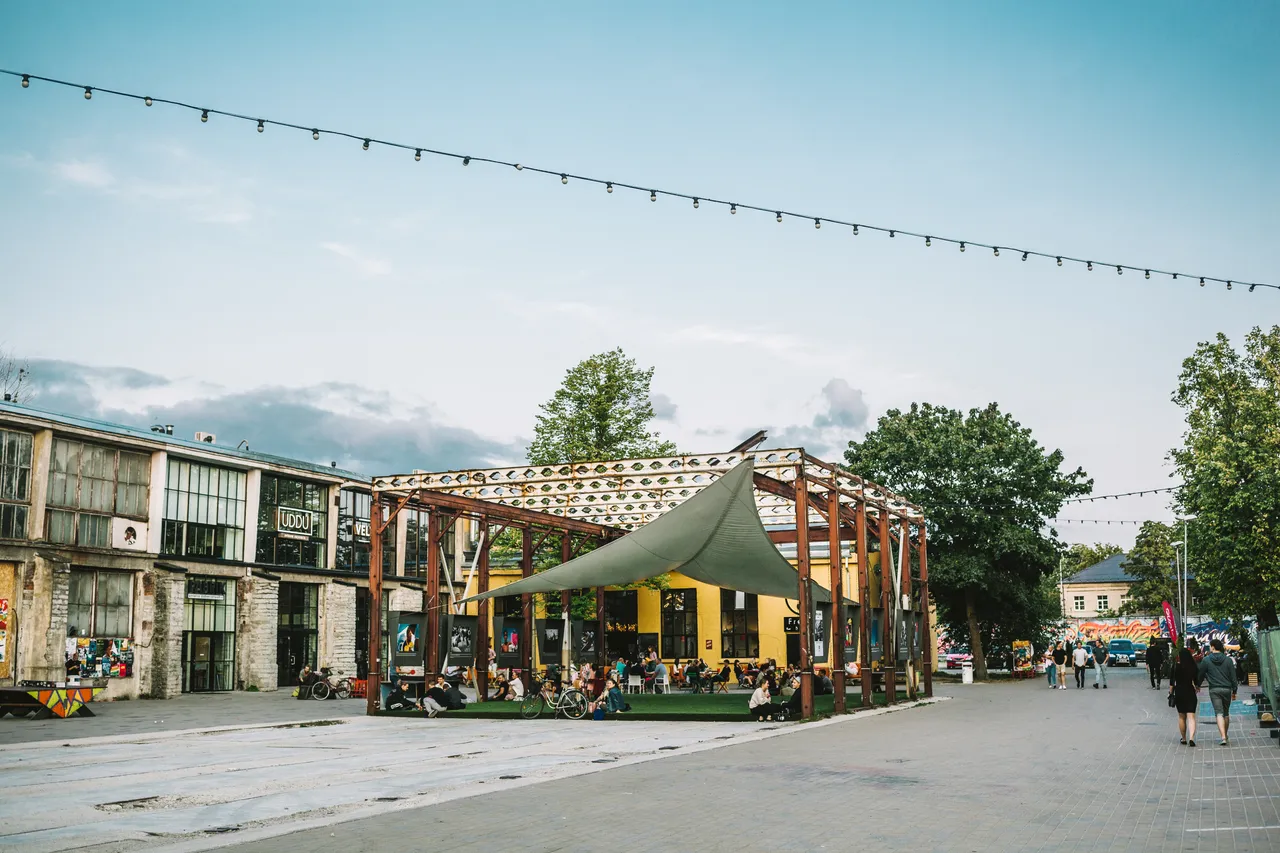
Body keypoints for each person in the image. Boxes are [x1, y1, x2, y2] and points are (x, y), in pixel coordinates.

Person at [1198, 638, 1238, 746]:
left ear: (1213, 647)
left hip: (1214, 689)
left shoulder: (1206, 660)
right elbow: (1233, 677)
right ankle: (1225, 734)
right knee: (1226, 713)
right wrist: (1235, 690)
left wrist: (1197, 685)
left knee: (1218, 712)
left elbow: (1201, 674)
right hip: (1227, 689)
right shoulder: (1228, 660)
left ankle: (1223, 737)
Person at [1169, 646, 1200, 746]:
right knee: (1191, 717)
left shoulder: (1175, 667)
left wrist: (1170, 693)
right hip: (1190, 691)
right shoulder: (1193, 666)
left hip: (1179, 692)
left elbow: (1172, 683)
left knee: (1182, 717)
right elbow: (1196, 681)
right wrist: (1197, 687)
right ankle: (1191, 738)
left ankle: (1184, 738)